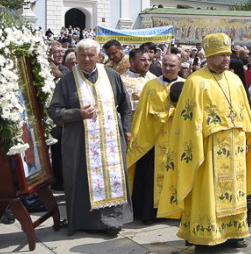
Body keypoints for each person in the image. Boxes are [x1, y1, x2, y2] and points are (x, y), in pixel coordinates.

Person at [165, 33, 251, 252]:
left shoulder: (235, 80)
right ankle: (204, 236)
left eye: (227, 54)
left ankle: (234, 233)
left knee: (236, 190)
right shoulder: (196, 81)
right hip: (209, 147)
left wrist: (248, 138)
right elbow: (188, 121)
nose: (226, 59)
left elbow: (245, 112)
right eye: (220, 55)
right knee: (208, 191)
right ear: (209, 56)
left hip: (235, 146)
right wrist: (197, 146)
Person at [48, 38, 133, 235]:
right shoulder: (67, 80)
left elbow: (125, 106)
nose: (87, 59)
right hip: (80, 142)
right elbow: (54, 111)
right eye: (82, 55)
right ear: (76, 57)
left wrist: (126, 129)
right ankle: (84, 222)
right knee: (83, 180)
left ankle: (113, 221)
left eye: (91, 55)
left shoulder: (111, 75)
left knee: (112, 178)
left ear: (98, 56)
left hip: (110, 141)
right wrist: (77, 113)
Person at [124, 52, 183, 224]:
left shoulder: (187, 85)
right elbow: (142, 114)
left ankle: (175, 211)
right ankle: (149, 213)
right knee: (149, 178)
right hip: (153, 140)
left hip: (177, 140)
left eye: (172, 65)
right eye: (165, 65)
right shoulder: (151, 86)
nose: (168, 68)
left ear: (179, 67)